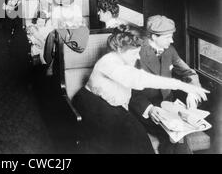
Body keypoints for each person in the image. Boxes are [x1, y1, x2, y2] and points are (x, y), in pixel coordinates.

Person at [72, 25, 208, 154]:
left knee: (136, 135)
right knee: (131, 137)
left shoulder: (124, 60)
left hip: (113, 107)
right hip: (94, 105)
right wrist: (182, 85)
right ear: (120, 50)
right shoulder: (109, 62)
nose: (138, 57)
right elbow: (140, 79)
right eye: (134, 53)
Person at [129, 15, 203, 153]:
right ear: (153, 36)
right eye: (168, 37)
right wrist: (149, 109)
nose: (172, 40)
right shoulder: (135, 53)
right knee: (174, 136)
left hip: (168, 106)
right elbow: (129, 90)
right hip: (144, 108)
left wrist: (192, 91)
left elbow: (189, 73)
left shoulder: (170, 50)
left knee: (178, 133)